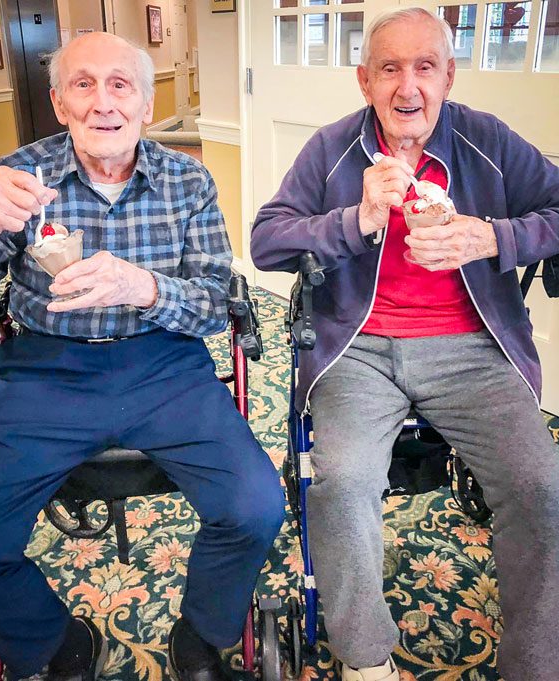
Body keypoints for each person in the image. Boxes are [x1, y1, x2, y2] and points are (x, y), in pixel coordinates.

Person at [0, 32, 285, 681]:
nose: (103, 101)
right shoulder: (15, 179)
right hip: (44, 371)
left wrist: (145, 287)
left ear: (144, 101)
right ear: (58, 101)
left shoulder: (188, 179)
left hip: (165, 366)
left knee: (256, 507)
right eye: (83, 83)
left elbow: (215, 306)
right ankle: (57, 642)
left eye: (121, 84)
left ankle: (200, 635)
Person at [251, 7, 559, 681]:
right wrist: (356, 219)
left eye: (425, 67)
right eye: (389, 69)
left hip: (473, 348)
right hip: (356, 349)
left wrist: (494, 238)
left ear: (449, 76)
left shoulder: (487, 142)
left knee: (541, 483)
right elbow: (266, 239)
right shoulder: (332, 149)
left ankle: (536, 663)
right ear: (365, 81)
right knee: (343, 482)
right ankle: (366, 659)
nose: (407, 87)